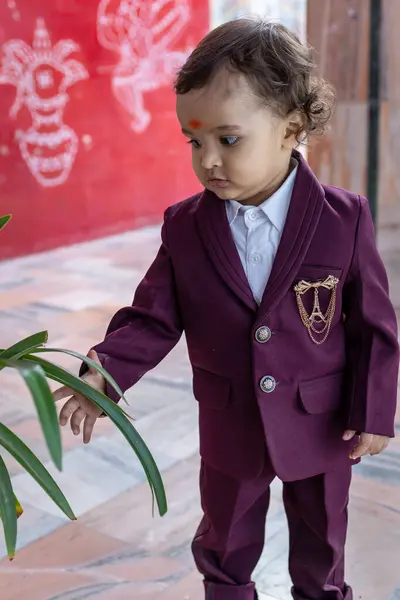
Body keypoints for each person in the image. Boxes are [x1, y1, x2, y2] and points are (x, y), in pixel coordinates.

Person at [53, 18, 399, 600]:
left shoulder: (345, 219)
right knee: (225, 537)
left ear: (291, 130)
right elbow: (153, 315)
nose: (208, 160)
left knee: (323, 539)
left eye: (228, 139)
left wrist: (373, 408)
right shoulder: (186, 227)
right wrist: (104, 371)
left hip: (320, 422)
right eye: (195, 141)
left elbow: (374, 326)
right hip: (230, 420)